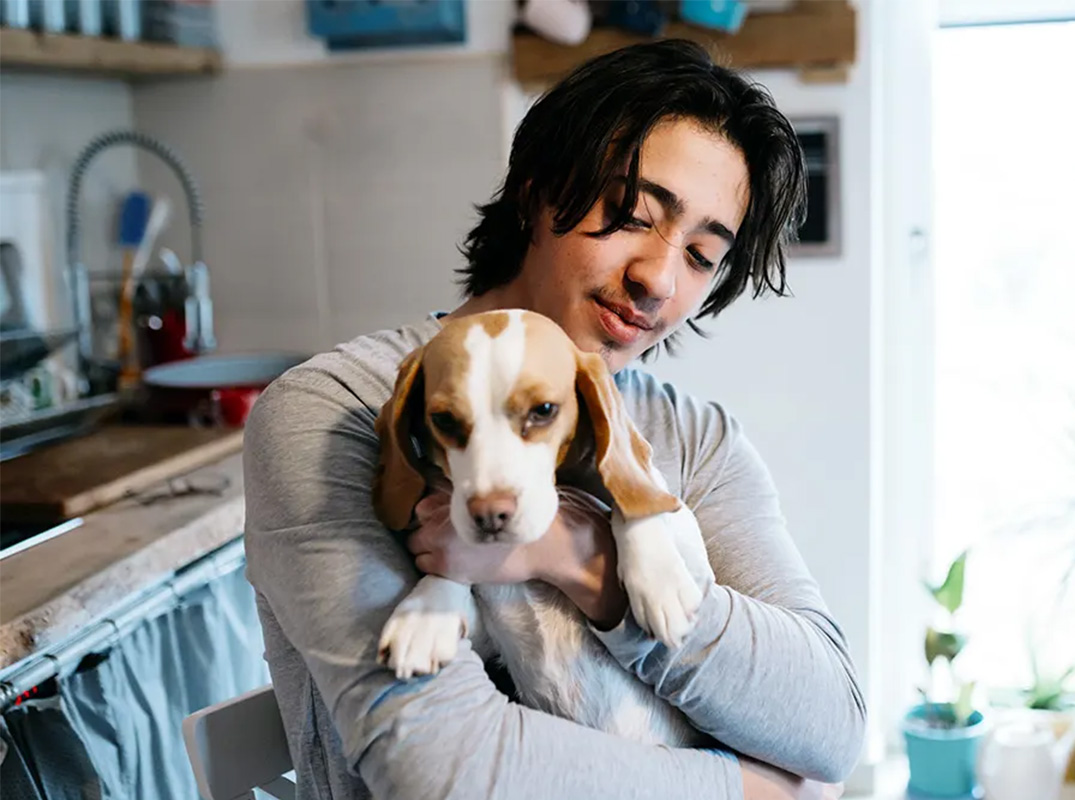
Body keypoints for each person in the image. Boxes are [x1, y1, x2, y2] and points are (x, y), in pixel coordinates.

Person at [243, 39, 866, 800]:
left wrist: (584, 562)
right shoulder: (339, 407)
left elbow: (830, 724)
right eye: (632, 213)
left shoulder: (694, 440)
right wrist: (754, 791)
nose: (658, 279)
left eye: (702, 257)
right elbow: (441, 768)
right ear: (537, 192)